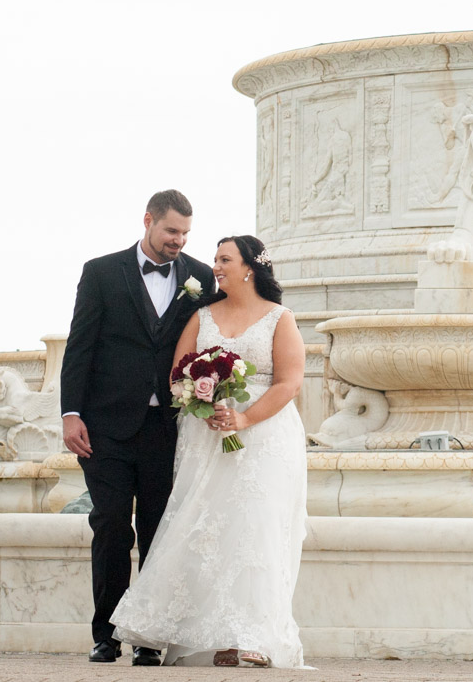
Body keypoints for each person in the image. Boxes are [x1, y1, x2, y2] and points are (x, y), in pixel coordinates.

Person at [109, 234, 308, 669]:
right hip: (206, 436)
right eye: (216, 259)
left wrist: (244, 419)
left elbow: (289, 382)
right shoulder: (202, 316)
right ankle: (207, 636)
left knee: (258, 528)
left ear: (249, 267)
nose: (215, 266)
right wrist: (203, 407)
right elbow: (178, 375)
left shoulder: (280, 318)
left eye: (224, 259)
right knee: (207, 528)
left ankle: (254, 637)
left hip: (265, 437)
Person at [61, 190, 214, 665]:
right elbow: (80, 345)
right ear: (148, 221)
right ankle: (105, 634)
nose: (178, 241)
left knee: (157, 530)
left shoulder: (200, 276)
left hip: (166, 427)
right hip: (105, 425)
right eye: (171, 231)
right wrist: (71, 413)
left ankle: (148, 636)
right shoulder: (102, 271)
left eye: (185, 233)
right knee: (109, 526)